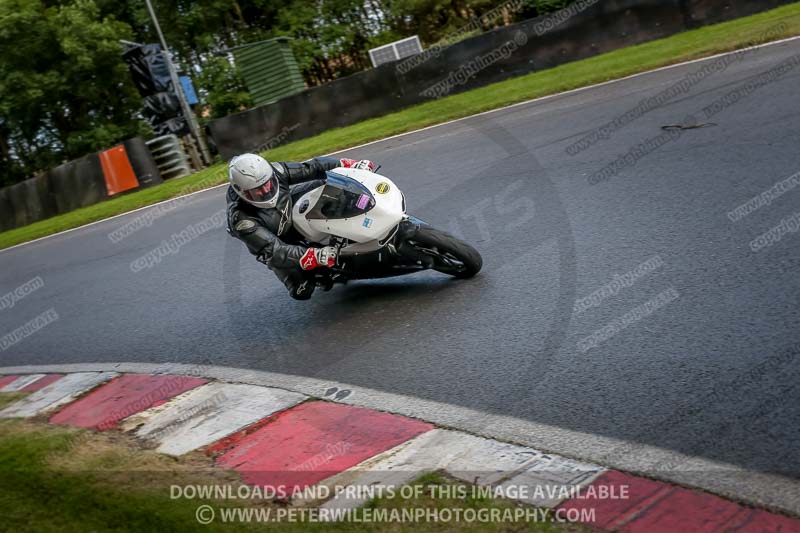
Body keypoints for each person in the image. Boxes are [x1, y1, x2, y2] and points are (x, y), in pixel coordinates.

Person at [226, 153, 376, 300]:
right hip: (278, 242)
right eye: (257, 189)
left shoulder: (275, 171)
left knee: (328, 187)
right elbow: (275, 251)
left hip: (287, 206)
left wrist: (347, 165)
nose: (266, 191)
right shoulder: (240, 219)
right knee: (302, 290)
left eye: (267, 183)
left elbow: (312, 168)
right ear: (243, 192)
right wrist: (313, 256)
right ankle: (322, 275)